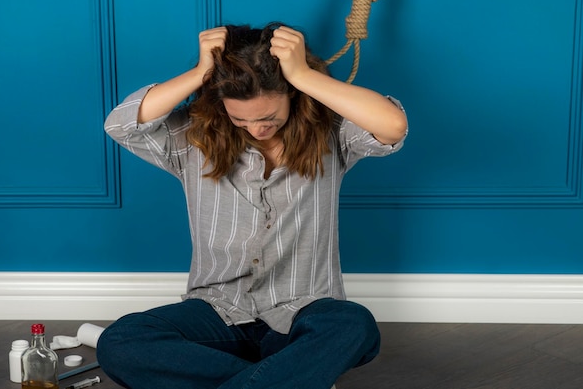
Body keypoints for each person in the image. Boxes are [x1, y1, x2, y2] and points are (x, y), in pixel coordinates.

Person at [97, 22, 408, 389]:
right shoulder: (191, 140)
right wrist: (201, 73)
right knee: (120, 341)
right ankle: (288, 376)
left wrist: (303, 75)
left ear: (293, 95)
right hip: (217, 312)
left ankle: (278, 374)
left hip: (303, 311)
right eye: (239, 118)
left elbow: (393, 126)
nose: (255, 129)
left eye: (267, 118)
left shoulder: (332, 134)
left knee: (355, 326)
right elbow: (119, 125)